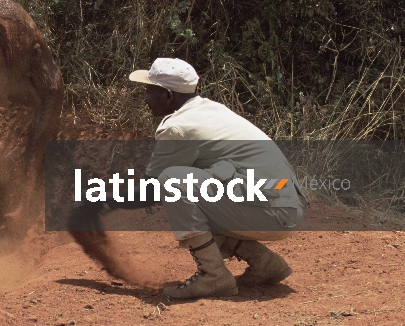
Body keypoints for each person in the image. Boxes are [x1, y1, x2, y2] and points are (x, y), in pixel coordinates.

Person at [127, 57, 307, 299]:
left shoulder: (178, 127)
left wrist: (96, 202)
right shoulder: (210, 110)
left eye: (149, 91)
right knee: (196, 194)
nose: (146, 99)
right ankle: (265, 263)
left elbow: (151, 190)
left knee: (174, 182)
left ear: (168, 96)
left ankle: (213, 276)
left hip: (271, 213)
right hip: (287, 207)